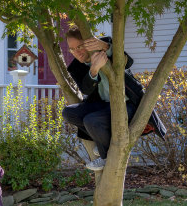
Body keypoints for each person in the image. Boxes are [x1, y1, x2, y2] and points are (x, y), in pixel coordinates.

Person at [62, 26, 166, 171]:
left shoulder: (104, 45)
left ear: (89, 43)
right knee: (68, 113)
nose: (76, 52)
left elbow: (128, 62)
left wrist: (106, 47)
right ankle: (103, 142)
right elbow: (86, 89)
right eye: (72, 49)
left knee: (91, 121)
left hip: (128, 104)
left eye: (79, 46)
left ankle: (105, 157)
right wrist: (94, 69)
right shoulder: (75, 67)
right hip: (103, 105)